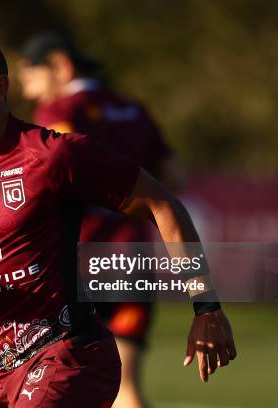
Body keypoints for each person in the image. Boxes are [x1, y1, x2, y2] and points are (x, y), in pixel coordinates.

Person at [0, 33, 236, 408]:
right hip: (6, 371)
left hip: (73, 356)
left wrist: (206, 307)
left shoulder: (52, 155)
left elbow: (163, 203)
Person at [17, 32, 181, 408]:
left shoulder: (61, 113)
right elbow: (174, 180)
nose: (30, 93)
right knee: (126, 388)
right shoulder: (135, 110)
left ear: (60, 65)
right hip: (133, 258)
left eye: (31, 77)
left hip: (80, 261)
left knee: (50, 386)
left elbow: (50, 178)